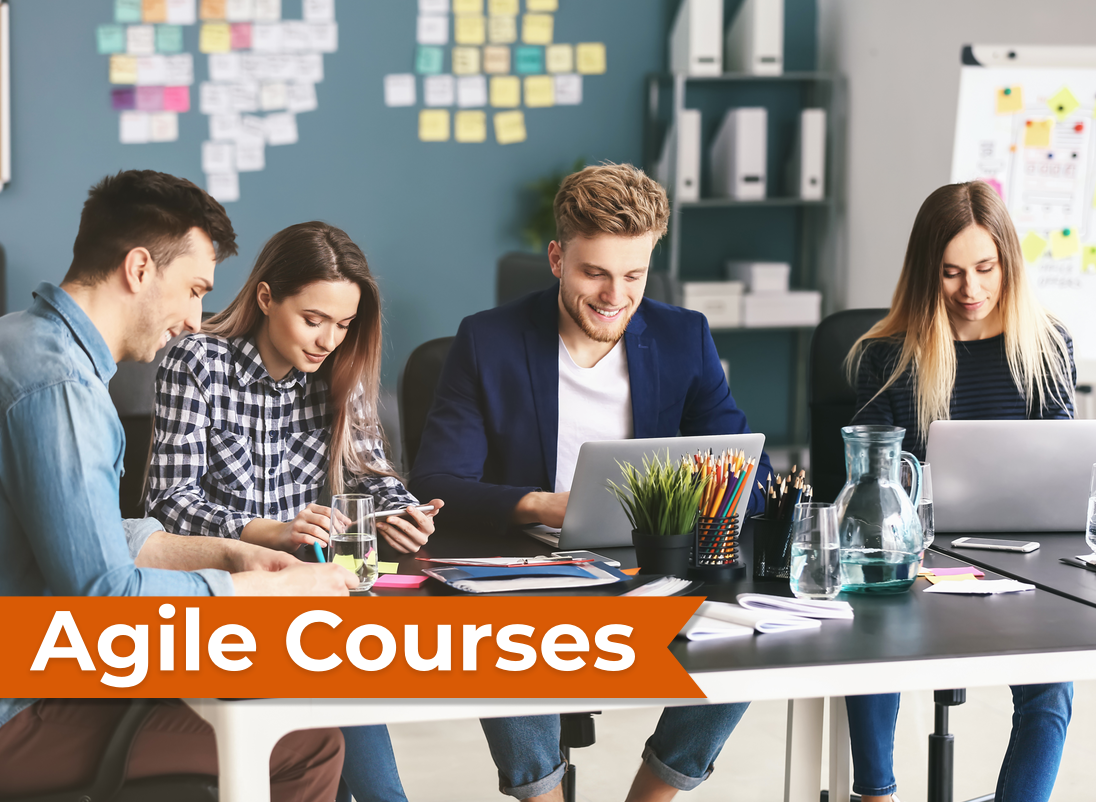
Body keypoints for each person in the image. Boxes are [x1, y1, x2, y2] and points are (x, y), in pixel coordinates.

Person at [409, 163, 768, 801]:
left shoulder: (684, 336)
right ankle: (542, 795)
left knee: (749, 638)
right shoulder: (487, 340)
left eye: (633, 275)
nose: (614, 296)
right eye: (594, 273)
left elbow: (747, 465)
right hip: (529, 563)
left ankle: (654, 793)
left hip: (651, 561)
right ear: (556, 258)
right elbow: (439, 480)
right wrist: (546, 506)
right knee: (502, 637)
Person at [0, 170, 353, 799]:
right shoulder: (64, 392)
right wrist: (255, 592)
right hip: (15, 711)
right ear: (139, 269)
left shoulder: (19, 340)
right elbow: (103, 600)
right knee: (306, 740)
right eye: (193, 290)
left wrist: (228, 552)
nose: (196, 319)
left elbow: (92, 540)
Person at [146, 220, 441, 802]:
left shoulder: (341, 365)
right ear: (265, 297)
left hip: (317, 598)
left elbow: (370, 472)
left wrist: (404, 511)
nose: (328, 339)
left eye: (343, 324)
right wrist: (264, 531)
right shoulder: (196, 362)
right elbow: (168, 504)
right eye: (313, 320)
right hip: (227, 600)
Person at [846, 181, 1076, 802]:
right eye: (950, 273)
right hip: (918, 559)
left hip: (1019, 561)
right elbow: (874, 485)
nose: (970, 290)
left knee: (1053, 683)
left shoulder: (1047, 346)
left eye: (984, 268)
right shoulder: (886, 356)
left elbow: (1063, 468)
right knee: (870, 634)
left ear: (1008, 263)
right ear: (927, 272)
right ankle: (876, 794)